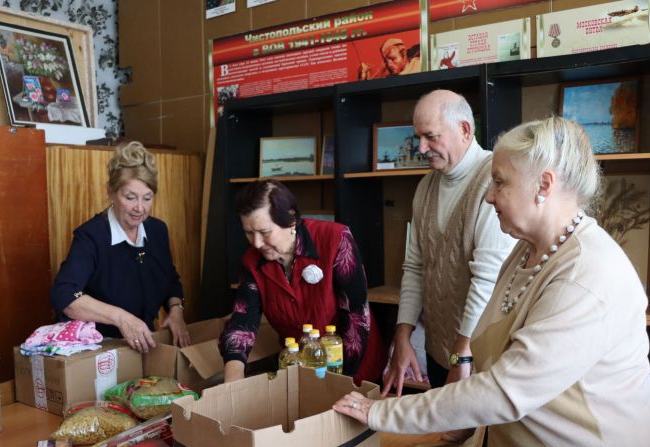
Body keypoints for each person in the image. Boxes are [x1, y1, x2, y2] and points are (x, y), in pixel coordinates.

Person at [334, 117, 650, 447]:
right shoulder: (528, 250)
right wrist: (464, 413)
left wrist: (379, 413)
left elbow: (506, 391)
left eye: (499, 182)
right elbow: (497, 352)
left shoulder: (585, 275)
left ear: (544, 185)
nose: (489, 195)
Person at [382, 89, 516, 396]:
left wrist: (461, 355)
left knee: (477, 442)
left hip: (478, 355)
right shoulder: (425, 186)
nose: (421, 147)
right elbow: (415, 267)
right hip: (440, 350)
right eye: (418, 137)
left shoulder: (494, 180)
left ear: (465, 130)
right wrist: (402, 337)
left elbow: (487, 279)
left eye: (430, 136)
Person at [219, 180, 386, 383]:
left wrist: (339, 382)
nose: (256, 243)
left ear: (291, 219)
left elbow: (356, 318)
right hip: (301, 368)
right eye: (248, 233)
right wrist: (232, 380)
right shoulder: (252, 262)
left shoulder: (335, 240)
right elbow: (242, 323)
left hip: (353, 366)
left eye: (264, 232)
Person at [50, 141, 190, 353]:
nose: (139, 208)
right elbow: (65, 294)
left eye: (147, 198)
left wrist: (176, 310)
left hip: (142, 347)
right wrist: (121, 318)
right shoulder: (92, 236)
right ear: (112, 192)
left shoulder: (157, 231)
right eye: (130, 197)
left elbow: (170, 279)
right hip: (98, 350)